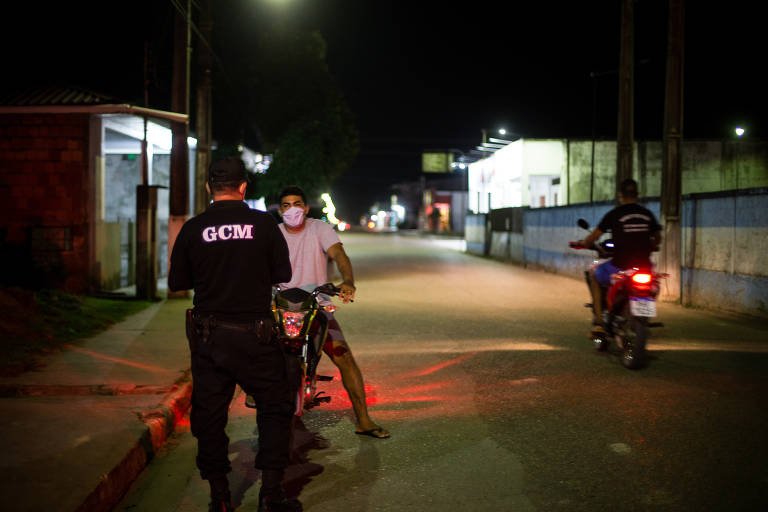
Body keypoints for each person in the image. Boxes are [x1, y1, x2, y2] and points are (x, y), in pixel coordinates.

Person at [168, 157, 302, 512]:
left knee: (209, 416)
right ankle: (271, 496)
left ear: (210, 187)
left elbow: (177, 282)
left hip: (210, 339)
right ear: (244, 187)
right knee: (274, 409)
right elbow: (283, 273)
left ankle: (220, 498)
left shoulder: (194, 228)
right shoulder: (263, 224)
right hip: (256, 336)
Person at [275, 185, 390, 439]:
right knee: (258, 349)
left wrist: (348, 281)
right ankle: (255, 393)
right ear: (280, 210)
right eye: (285, 205)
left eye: (296, 204)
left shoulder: (320, 229)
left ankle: (364, 420)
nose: (291, 209)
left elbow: (338, 254)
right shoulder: (274, 234)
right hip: (282, 306)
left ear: (305, 209)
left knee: (343, 356)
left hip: (317, 305)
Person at [577, 178, 662, 336]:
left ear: (620, 195)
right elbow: (658, 238)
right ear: (637, 195)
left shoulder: (614, 214)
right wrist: (652, 245)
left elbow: (594, 237)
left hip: (620, 266)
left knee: (594, 274)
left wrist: (586, 243)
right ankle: (643, 318)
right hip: (644, 266)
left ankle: (599, 322)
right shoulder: (647, 214)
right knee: (654, 285)